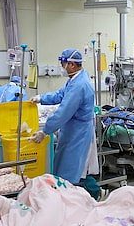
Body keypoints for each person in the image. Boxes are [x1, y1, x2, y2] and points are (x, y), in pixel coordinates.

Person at [31, 49, 98, 195]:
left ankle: (71, 201)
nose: (62, 67)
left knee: (70, 170)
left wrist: (45, 131)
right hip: (72, 130)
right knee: (63, 165)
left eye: (64, 64)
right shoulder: (75, 81)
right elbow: (60, 95)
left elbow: (63, 112)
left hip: (78, 133)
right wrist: (41, 98)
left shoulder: (80, 85)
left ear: (72, 65)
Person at [0, 76, 27, 164]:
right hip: (8, 119)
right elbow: (23, 109)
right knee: (4, 143)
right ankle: (4, 161)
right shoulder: (20, 91)